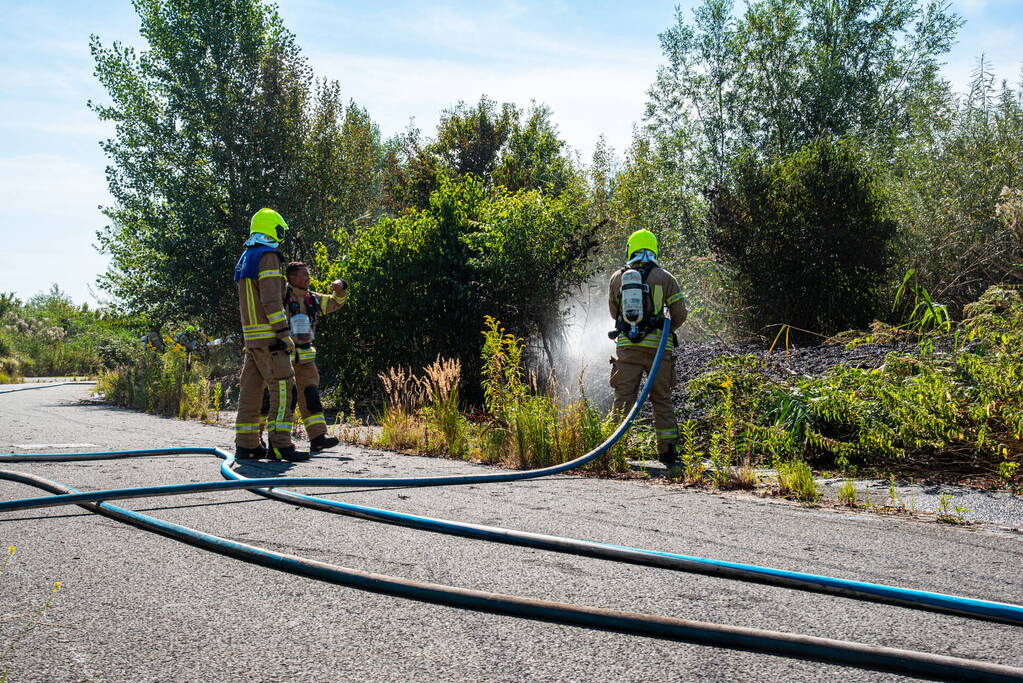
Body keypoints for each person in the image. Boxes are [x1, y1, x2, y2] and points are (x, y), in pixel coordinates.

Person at [232, 208, 309, 462]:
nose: (281, 234)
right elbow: (271, 300)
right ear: (271, 229)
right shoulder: (268, 256)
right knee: (284, 388)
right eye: (279, 230)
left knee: (251, 392)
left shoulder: (247, 256)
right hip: (270, 338)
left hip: (252, 338)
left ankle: (247, 445)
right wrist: (283, 333)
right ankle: (280, 445)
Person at [608, 229, 687, 466]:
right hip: (658, 350)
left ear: (630, 249)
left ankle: (614, 450)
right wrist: (665, 330)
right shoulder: (665, 277)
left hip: (627, 349)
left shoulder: (617, 278)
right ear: (654, 249)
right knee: (661, 399)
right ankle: (668, 453)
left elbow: (614, 313)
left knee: (623, 399)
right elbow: (680, 313)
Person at [283, 261, 348, 451]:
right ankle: (269, 440)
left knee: (311, 396)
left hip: (305, 359)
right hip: (282, 357)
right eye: (304, 274)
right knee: (283, 399)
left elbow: (336, 302)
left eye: (308, 274)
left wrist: (341, 286)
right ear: (292, 277)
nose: (308, 278)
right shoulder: (280, 296)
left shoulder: (312, 298)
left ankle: (318, 437)